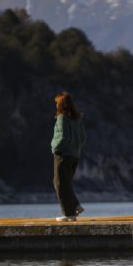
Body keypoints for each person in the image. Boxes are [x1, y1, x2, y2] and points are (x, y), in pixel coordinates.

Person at [51, 92, 87, 221]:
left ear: (61, 104)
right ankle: (75, 206)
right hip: (75, 155)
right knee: (65, 183)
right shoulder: (77, 118)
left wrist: (55, 147)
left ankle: (68, 214)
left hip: (63, 154)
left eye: (57, 102)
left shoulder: (62, 118)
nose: (56, 105)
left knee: (59, 184)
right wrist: (76, 148)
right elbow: (83, 138)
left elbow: (63, 137)